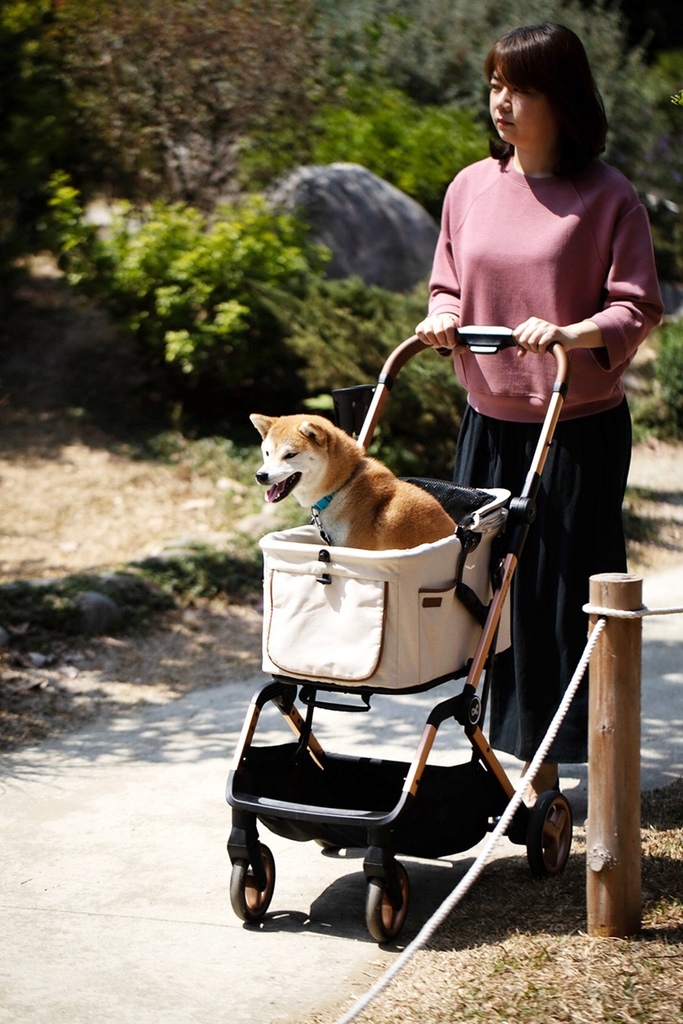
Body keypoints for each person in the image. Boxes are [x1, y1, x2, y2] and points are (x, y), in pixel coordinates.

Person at [415, 22, 663, 802]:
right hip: (488, 424)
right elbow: (446, 281)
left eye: (517, 87)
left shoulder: (608, 195)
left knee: (557, 602)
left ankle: (548, 771)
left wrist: (569, 331)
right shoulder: (467, 187)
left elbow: (635, 307)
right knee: (484, 596)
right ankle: (485, 756)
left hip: (576, 431)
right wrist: (440, 317)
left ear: (559, 99)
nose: (500, 100)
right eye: (493, 83)